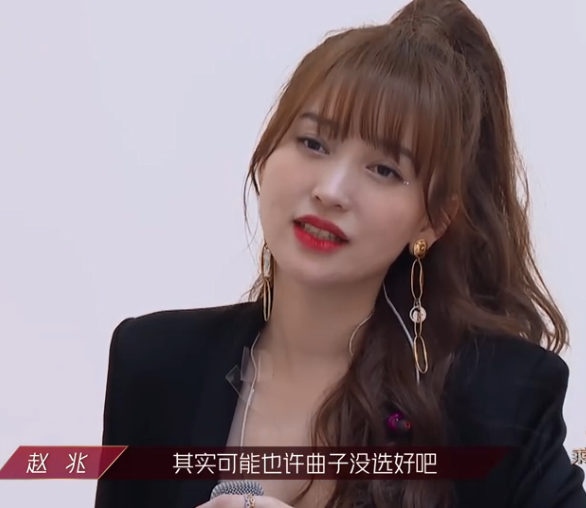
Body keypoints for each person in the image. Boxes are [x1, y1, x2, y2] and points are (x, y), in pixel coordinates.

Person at [94, 0, 586, 507]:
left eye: (384, 170)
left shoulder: (500, 402)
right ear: (266, 154)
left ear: (432, 221)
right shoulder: (156, 362)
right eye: (313, 143)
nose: (330, 191)